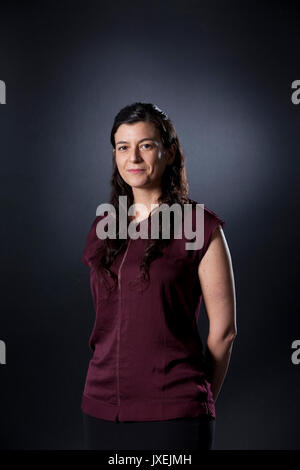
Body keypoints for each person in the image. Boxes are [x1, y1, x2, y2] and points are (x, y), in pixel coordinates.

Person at [81, 102, 236, 450]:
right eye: (123, 147)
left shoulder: (199, 224)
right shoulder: (104, 227)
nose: (133, 157)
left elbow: (224, 332)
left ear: (168, 153)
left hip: (174, 413)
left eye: (146, 145)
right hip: (102, 407)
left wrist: (197, 400)